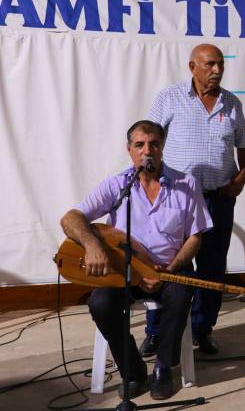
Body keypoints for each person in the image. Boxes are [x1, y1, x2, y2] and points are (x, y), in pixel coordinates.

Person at [59, 121, 212, 400]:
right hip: (124, 273)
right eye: (139, 145)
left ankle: (163, 367)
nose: (147, 150)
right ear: (129, 149)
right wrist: (92, 245)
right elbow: (71, 218)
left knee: (181, 295)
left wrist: (169, 269)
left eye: (154, 144)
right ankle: (132, 370)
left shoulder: (186, 184)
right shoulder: (118, 185)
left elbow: (195, 237)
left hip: (170, 270)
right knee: (100, 303)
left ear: (162, 147)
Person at [144, 43, 245, 356]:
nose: (217, 70)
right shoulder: (169, 98)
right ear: (192, 67)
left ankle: (202, 329)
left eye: (220, 64)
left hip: (218, 198)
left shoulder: (231, 103)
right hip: (176, 198)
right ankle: (156, 332)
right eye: (210, 65)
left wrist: (240, 180)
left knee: (212, 265)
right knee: (167, 263)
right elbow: (149, 140)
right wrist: (151, 182)